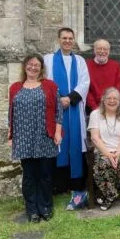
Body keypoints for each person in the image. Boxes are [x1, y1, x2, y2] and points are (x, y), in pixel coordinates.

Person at [8, 54, 62, 223]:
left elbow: (58, 112)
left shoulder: (50, 86)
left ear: (41, 68)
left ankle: (45, 207)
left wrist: (58, 132)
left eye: (36, 65)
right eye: (30, 64)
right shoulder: (15, 87)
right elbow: (10, 112)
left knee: (45, 174)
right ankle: (31, 209)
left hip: (44, 136)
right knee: (29, 175)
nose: (33, 67)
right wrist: (11, 134)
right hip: (23, 138)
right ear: (25, 66)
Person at [44, 27, 90, 210]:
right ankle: (59, 185)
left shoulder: (79, 60)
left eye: (70, 38)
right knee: (58, 143)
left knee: (76, 144)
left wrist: (70, 98)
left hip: (73, 107)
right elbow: (45, 82)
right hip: (56, 109)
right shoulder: (48, 59)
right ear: (58, 39)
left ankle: (76, 186)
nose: (67, 41)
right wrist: (58, 99)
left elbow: (85, 82)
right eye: (64, 38)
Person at [88, 88, 120, 211]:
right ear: (103, 100)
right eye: (109, 98)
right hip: (102, 150)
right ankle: (111, 195)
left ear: (119, 101)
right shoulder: (95, 114)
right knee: (104, 164)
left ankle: (106, 194)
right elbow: (95, 138)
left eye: (115, 98)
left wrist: (117, 154)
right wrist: (108, 154)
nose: (112, 101)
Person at [86, 39, 120, 114]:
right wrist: (94, 107)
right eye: (99, 48)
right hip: (92, 109)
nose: (102, 51)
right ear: (94, 50)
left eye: (105, 49)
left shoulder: (116, 66)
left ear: (109, 51)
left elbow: (118, 87)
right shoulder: (86, 65)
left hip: (112, 106)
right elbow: (86, 89)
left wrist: (111, 105)